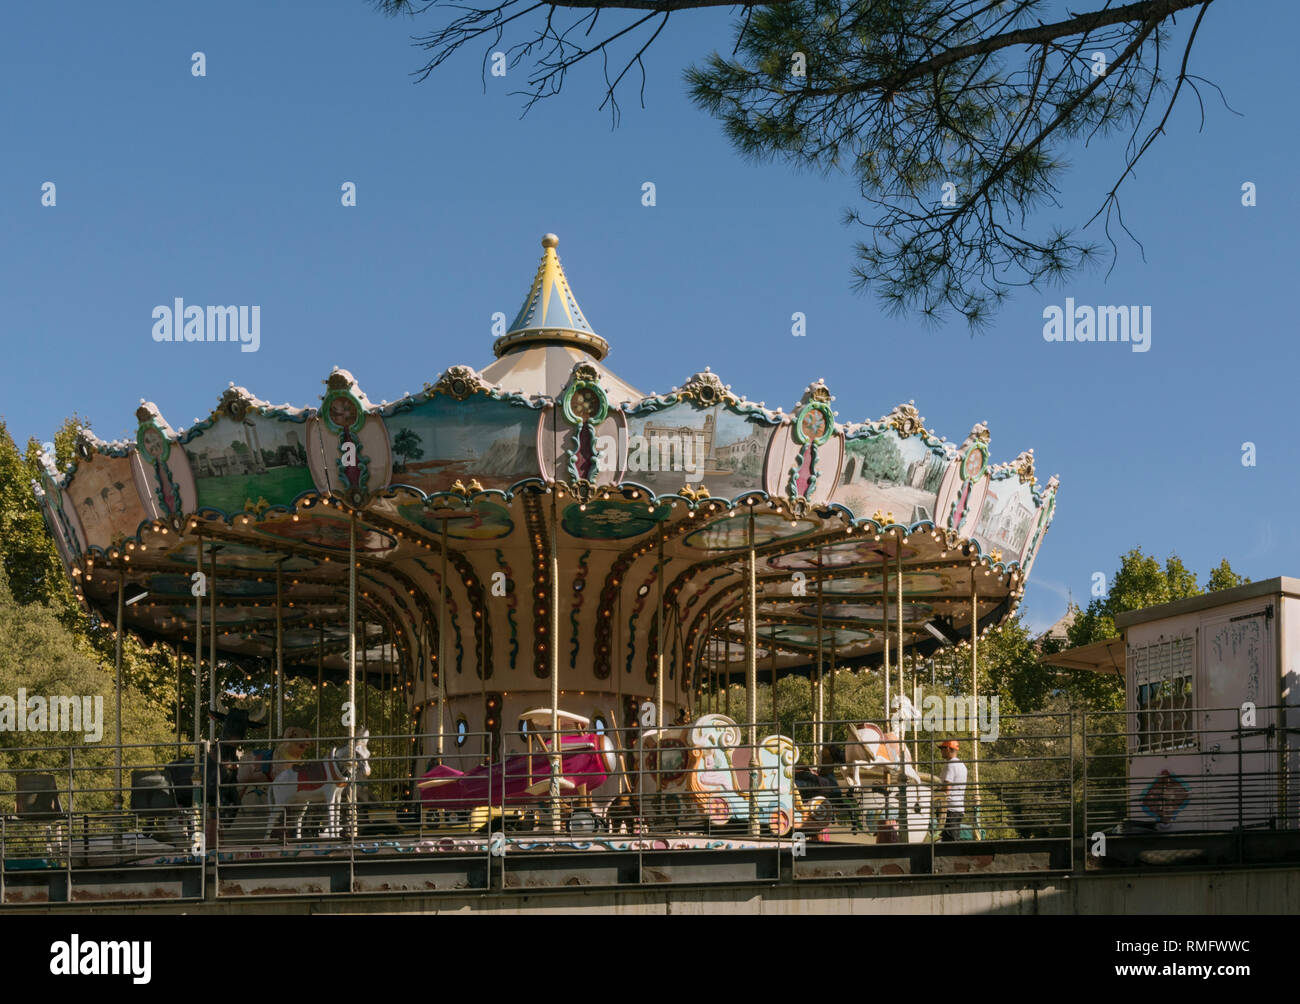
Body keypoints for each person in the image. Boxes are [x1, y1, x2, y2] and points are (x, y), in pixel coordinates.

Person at [938, 740, 967, 841]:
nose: (941, 751)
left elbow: (947, 788)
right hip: (958, 808)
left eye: (942, 749)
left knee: (949, 840)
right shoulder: (962, 765)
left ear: (948, 749)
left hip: (949, 809)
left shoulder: (950, 765)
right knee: (953, 837)